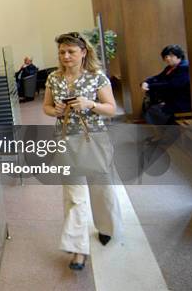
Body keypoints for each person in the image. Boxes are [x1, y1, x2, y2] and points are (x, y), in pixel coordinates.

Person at [43, 32, 122, 270]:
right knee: (74, 196)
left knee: (101, 188)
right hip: (66, 140)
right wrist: (55, 111)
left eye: (71, 52)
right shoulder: (53, 79)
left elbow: (111, 109)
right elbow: (46, 107)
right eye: (62, 52)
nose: (66, 56)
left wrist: (90, 104)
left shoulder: (97, 78)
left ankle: (107, 227)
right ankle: (78, 249)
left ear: (83, 52)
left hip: (95, 140)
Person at [142, 44, 191, 124]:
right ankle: (163, 133)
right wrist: (146, 82)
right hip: (172, 98)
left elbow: (172, 85)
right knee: (147, 106)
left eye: (171, 56)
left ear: (179, 56)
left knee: (154, 111)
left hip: (182, 102)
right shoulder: (170, 67)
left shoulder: (185, 67)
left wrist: (150, 86)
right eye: (165, 56)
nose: (167, 58)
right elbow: (158, 77)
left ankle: (167, 134)